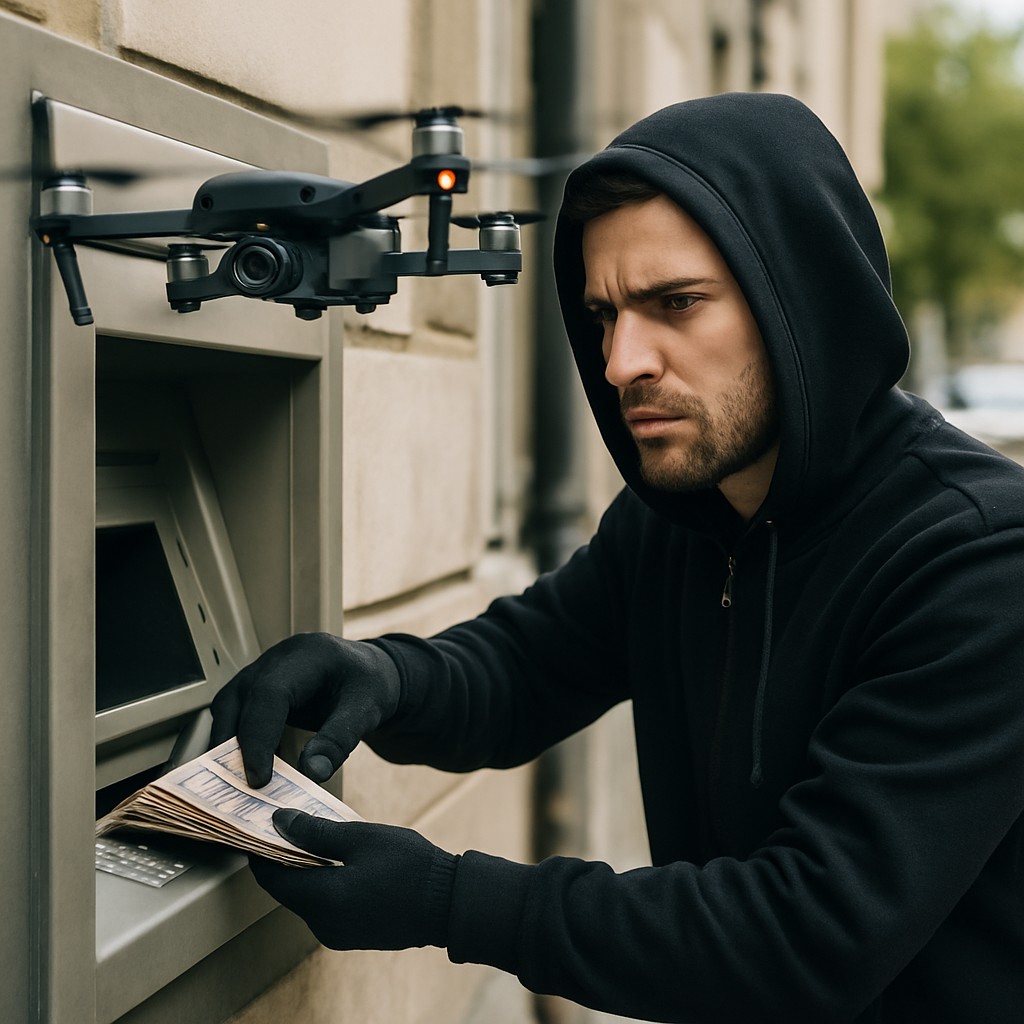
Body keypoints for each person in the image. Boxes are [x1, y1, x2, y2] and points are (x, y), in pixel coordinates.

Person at [210, 93, 1024, 1022]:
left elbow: (808, 933)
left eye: (675, 303)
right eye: (603, 315)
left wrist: (449, 899)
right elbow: (522, 669)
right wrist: (378, 674)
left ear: (799, 300)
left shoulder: (979, 560)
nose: (621, 360)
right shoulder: (684, 517)